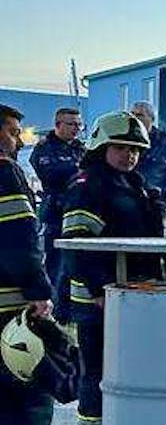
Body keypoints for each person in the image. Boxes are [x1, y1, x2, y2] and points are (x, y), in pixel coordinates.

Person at [60, 112, 164, 425]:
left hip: (137, 293)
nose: (129, 155)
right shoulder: (87, 185)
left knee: (133, 367)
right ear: (101, 146)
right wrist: (98, 290)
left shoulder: (135, 185)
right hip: (98, 299)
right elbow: (77, 243)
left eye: (134, 149)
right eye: (120, 147)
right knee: (99, 367)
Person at [0, 104, 63, 425]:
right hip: (9, 304)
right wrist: (39, 291)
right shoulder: (5, 172)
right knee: (28, 389)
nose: (17, 139)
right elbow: (20, 239)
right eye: (10, 131)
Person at [29, 105, 84, 312]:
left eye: (79, 125)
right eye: (71, 124)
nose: (76, 129)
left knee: (76, 264)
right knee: (56, 265)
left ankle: (70, 308)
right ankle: (57, 308)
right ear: (58, 125)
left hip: (78, 212)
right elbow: (51, 175)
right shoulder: (44, 148)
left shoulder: (81, 148)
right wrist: (77, 171)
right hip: (56, 213)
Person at [128, 102, 166, 205]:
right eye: (132, 114)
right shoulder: (126, 141)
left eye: (139, 115)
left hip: (156, 203)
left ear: (151, 118)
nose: (134, 118)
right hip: (129, 201)